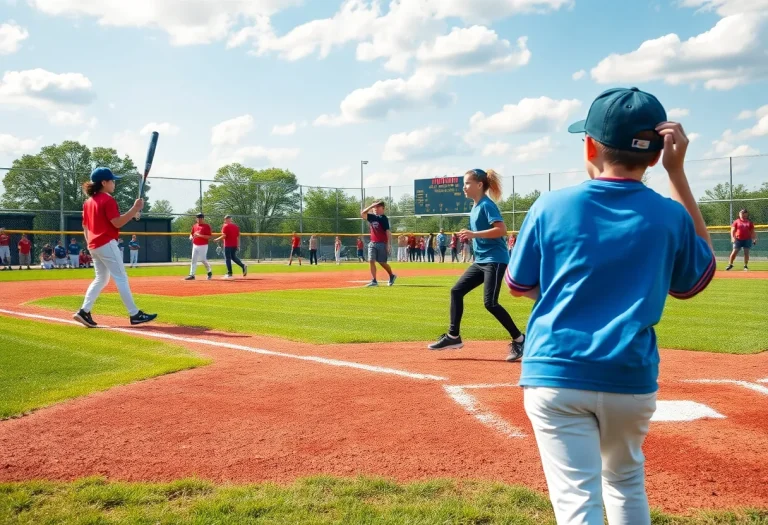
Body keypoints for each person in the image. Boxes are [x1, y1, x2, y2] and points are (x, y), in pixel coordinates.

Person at [506, 88, 716, 525]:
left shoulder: (549, 205)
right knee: (624, 483)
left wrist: (572, 292)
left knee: (578, 502)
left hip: (556, 372)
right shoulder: (669, 214)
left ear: (590, 145)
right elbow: (697, 278)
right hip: (630, 377)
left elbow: (518, 285)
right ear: (658, 155)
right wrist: (678, 177)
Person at [429, 169, 524, 363]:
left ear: (479, 185)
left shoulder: (487, 205)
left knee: (490, 303)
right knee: (456, 291)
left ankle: (520, 339)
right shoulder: (475, 206)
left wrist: (473, 234)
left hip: (495, 260)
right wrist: (471, 235)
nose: (463, 187)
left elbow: (501, 230)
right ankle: (453, 336)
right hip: (481, 261)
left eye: (467, 183)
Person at [73, 167, 157, 328]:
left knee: (101, 279)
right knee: (121, 277)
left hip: (94, 244)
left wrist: (90, 243)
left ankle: (84, 311)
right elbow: (117, 223)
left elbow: (85, 226)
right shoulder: (107, 199)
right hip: (106, 242)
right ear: (103, 182)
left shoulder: (88, 202)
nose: (114, 183)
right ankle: (134, 314)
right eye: (112, 180)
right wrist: (134, 209)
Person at [361, 200, 396, 287]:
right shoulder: (372, 217)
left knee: (382, 262)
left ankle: (392, 275)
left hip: (382, 243)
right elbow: (363, 213)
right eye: (374, 207)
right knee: (371, 260)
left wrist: (388, 244)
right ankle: (374, 281)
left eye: (378, 207)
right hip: (372, 243)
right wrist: (371, 206)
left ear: (382, 208)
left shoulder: (383, 218)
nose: (375, 209)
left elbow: (388, 232)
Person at [215, 215, 247, 279]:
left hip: (228, 245)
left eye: (225, 219)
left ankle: (229, 273)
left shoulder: (225, 226)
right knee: (233, 257)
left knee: (228, 258)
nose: (224, 221)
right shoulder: (236, 226)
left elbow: (224, 235)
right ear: (231, 219)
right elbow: (238, 237)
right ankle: (243, 266)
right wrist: (238, 245)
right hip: (234, 244)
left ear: (227, 219)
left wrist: (217, 239)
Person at [185, 213, 213, 280]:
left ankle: (209, 271)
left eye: (201, 218)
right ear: (196, 219)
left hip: (203, 245)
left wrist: (200, 235)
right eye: (198, 218)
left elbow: (209, 236)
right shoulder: (195, 226)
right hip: (195, 245)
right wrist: (191, 237)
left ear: (203, 219)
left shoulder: (206, 226)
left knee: (203, 260)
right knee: (193, 260)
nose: (199, 219)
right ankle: (192, 275)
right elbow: (191, 234)